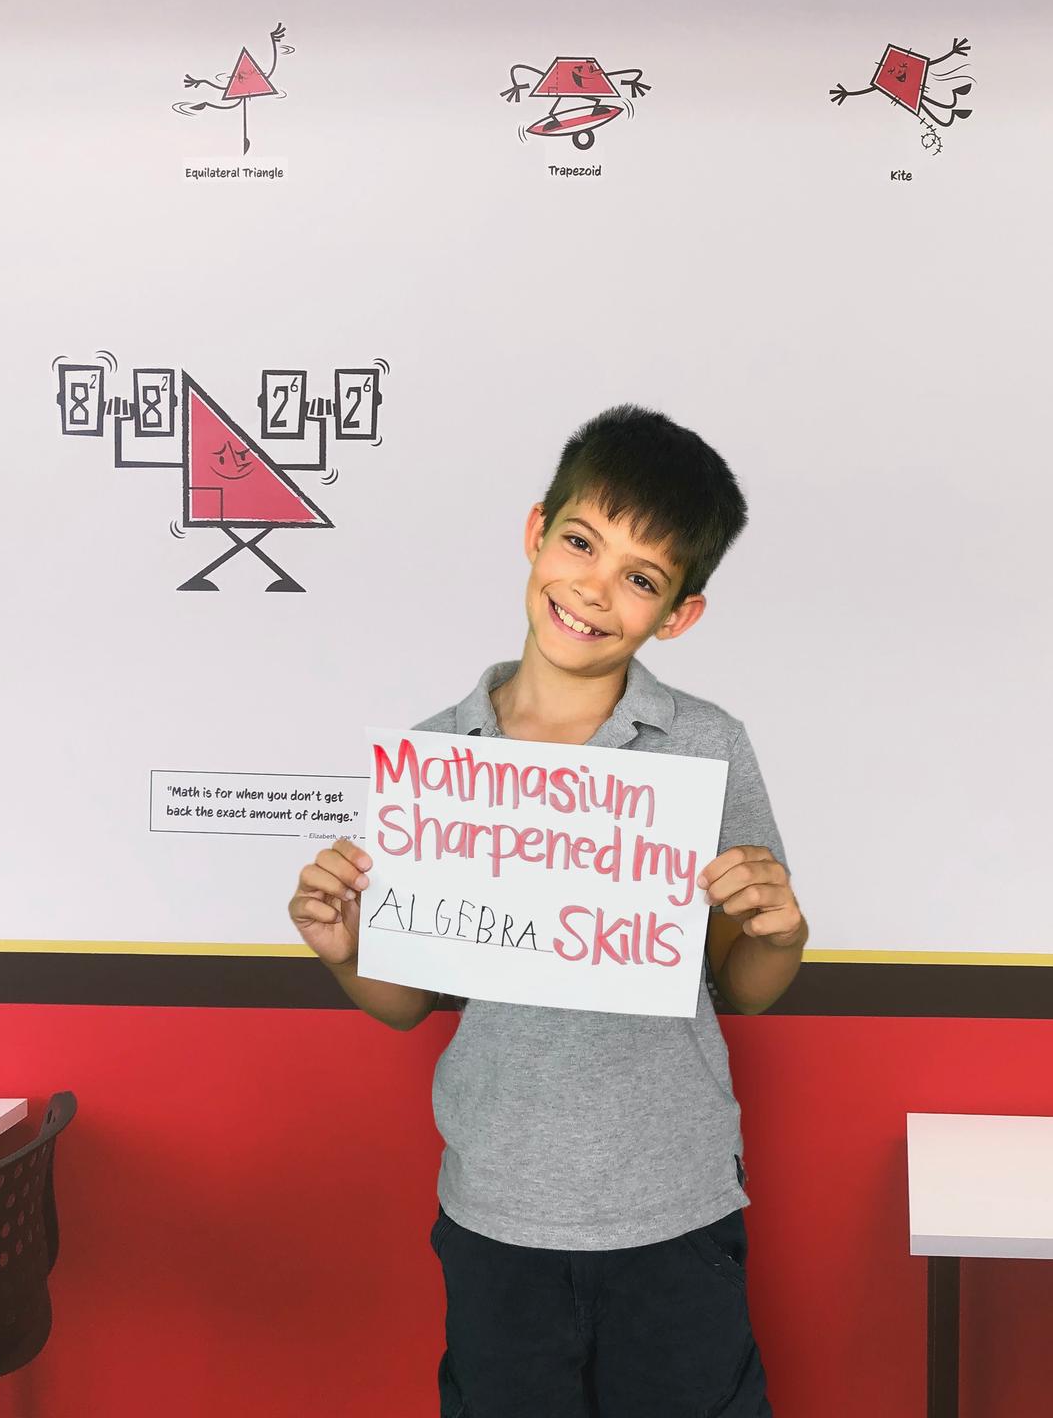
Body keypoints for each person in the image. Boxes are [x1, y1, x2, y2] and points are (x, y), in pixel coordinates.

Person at [288, 404, 808, 1416]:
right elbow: (408, 1003)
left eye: (642, 579)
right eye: (581, 543)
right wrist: (345, 952)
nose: (595, 589)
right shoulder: (442, 758)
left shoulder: (705, 745)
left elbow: (745, 986)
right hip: (497, 1210)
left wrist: (782, 933)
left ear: (678, 615)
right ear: (537, 533)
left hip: (675, 1206)